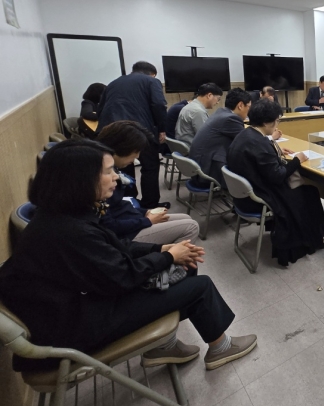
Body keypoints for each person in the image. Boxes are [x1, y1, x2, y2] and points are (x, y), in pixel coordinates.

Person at [0, 140, 257, 373]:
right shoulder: (70, 230)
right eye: (107, 172)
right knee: (200, 287)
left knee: (186, 266)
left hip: (82, 304)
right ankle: (220, 348)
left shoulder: (63, 215)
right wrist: (167, 257)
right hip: (74, 328)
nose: (116, 177)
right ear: (79, 179)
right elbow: (122, 276)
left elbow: (113, 249)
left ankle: (163, 345)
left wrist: (160, 250)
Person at [226, 99, 324, 266]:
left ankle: (314, 236)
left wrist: (274, 150)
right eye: (277, 120)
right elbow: (277, 176)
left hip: (243, 196)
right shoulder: (259, 142)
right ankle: (316, 239)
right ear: (266, 122)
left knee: (307, 191)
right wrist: (297, 160)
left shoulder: (246, 134)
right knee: (310, 193)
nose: (277, 124)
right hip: (259, 198)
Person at [97, 121, 199, 245]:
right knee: (191, 227)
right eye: (135, 152)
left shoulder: (107, 167)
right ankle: (167, 256)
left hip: (128, 218)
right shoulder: (99, 179)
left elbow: (117, 205)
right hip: (125, 234)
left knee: (186, 218)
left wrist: (145, 212)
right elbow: (109, 226)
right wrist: (147, 221)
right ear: (121, 148)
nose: (137, 157)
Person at [97, 61, 168, 209]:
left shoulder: (113, 83)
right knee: (150, 167)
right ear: (152, 74)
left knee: (123, 167)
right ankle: (150, 205)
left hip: (113, 132)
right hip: (139, 131)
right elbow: (159, 105)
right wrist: (161, 129)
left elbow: (101, 109)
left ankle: (129, 202)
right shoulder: (151, 81)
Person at [188, 88, 251, 186]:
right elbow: (248, 142)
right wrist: (270, 137)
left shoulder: (221, 112)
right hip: (207, 172)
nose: (249, 110)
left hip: (199, 167)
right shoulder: (231, 118)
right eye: (249, 107)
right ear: (240, 105)